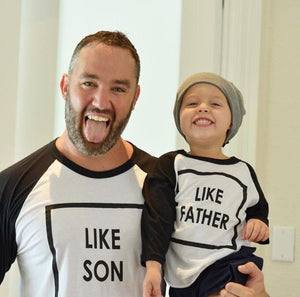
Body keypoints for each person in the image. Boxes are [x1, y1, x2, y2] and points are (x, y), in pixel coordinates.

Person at [0, 31, 268, 297]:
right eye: (88, 83)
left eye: (118, 88)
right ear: (65, 86)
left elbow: (211, 269)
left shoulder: (167, 182)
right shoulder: (14, 186)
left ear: (135, 97)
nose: (101, 102)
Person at [141, 72, 269, 297]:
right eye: (192, 103)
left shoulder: (243, 171)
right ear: (179, 118)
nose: (202, 108)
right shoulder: (171, 165)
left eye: (215, 103)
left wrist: (259, 222)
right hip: (182, 274)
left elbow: (257, 208)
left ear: (231, 121)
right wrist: (153, 267)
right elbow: (157, 220)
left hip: (228, 264)